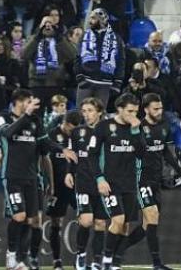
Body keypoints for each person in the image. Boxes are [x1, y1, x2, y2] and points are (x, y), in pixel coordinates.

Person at [0, 89, 74, 270]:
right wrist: (26, 115)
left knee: (31, 220)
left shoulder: (35, 121)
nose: (30, 105)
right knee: (19, 216)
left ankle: (22, 260)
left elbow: (45, 143)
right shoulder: (3, 118)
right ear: (18, 102)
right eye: (27, 102)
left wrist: (62, 150)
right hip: (12, 176)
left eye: (31, 102)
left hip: (31, 177)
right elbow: (6, 134)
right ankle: (11, 254)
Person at [118, 93, 181, 270]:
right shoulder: (137, 127)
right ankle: (157, 264)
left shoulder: (164, 126)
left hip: (156, 181)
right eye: (155, 108)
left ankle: (116, 251)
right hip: (140, 179)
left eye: (161, 108)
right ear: (146, 109)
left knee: (146, 226)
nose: (159, 111)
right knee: (152, 217)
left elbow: (166, 153)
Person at [91, 94, 146, 270]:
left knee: (126, 225)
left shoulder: (136, 128)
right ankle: (106, 259)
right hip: (110, 183)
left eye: (136, 111)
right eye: (130, 111)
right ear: (120, 109)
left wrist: (136, 131)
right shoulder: (103, 127)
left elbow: (141, 153)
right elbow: (92, 156)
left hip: (129, 183)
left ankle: (115, 262)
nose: (133, 115)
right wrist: (99, 179)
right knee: (118, 219)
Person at [66, 97, 108, 270]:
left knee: (100, 223)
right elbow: (72, 154)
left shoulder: (108, 131)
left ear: (99, 112)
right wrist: (69, 172)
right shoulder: (77, 132)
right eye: (84, 111)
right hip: (83, 182)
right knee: (85, 221)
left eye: (90, 110)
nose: (87, 114)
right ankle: (81, 255)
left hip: (102, 183)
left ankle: (97, 260)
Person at [46, 111, 81, 270]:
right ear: (64, 122)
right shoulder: (52, 134)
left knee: (85, 219)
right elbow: (46, 160)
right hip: (58, 186)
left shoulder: (78, 136)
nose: (70, 131)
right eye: (69, 127)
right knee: (56, 221)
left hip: (76, 185)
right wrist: (49, 183)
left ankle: (80, 258)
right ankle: (57, 261)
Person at [21, 16, 77, 111]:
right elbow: (24, 54)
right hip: (37, 85)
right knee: (37, 114)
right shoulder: (33, 39)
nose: (48, 26)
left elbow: (72, 55)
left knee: (56, 115)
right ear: (40, 26)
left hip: (57, 85)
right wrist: (37, 37)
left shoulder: (61, 40)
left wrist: (59, 37)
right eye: (45, 24)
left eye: (51, 24)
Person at [75, 8, 126, 107]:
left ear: (103, 19)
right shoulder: (85, 36)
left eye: (93, 18)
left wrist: (118, 82)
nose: (90, 21)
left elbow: (120, 61)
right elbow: (78, 58)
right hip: (86, 82)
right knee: (81, 114)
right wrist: (79, 75)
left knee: (100, 116)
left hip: (105, 84)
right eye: (90, 18)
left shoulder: (116, 39)